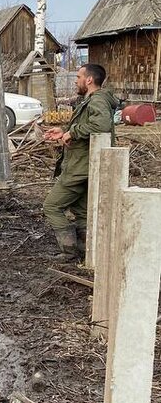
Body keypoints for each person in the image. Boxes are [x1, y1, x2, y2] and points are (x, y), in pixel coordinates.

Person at [43, 63, 117, 261]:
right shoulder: (92, 100)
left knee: (51, 206)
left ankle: (69, 251)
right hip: (85, 165)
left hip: (80, 167)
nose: (76, 81)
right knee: (80, 210)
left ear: (89, 80)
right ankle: (87, 252)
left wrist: (72, 132)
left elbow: (101, 125)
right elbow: (87, 127)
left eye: (78, 77)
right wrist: (64, 132)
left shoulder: (97, 99)